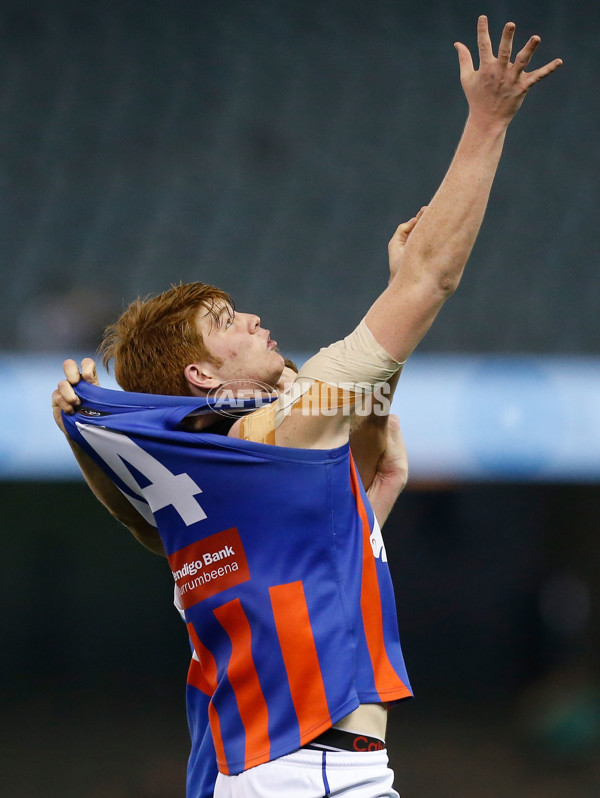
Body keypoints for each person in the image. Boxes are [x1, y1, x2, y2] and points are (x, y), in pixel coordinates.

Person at [52, 17, 562, 797]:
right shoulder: (280, 436)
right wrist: (488, 121)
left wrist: (83, 438)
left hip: (270, 769)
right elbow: (430, 283)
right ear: (200, 375)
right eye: (227, 323)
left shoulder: (220, 483)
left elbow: (358, 452)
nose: (253, 320)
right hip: (305, 773)